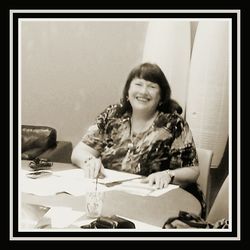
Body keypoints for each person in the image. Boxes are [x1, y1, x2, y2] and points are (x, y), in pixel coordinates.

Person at [71, 62, 205, 216]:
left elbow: (193, 171)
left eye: (152, 86)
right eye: (138, 84)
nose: (143, 91)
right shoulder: (113, 115)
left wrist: (168, 174)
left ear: (161, 97)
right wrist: (89, 161)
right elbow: (79, 152)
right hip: (114, 200)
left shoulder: (173, 123)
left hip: (162, 206)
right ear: (128, 92)